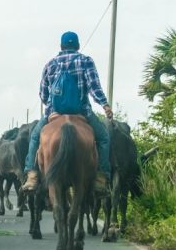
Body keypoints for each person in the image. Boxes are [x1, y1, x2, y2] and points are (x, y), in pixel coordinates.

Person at [21, 31, 112, 197]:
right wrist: (104, 104)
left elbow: (43, 95)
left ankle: (32, 176)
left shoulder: (50, 64)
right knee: (103, 138)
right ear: (77, 46)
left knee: (35, 138)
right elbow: (94, 87)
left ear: (61, 46)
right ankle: (101, 178)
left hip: (53, 112)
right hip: (82, 111)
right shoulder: (86, 61)